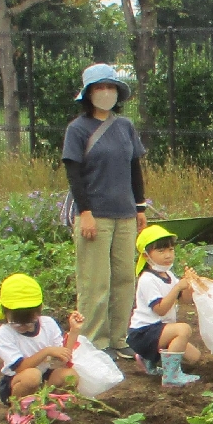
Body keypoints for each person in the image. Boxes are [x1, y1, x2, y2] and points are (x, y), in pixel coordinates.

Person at [63, 64, 148, 361]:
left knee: (125, 278)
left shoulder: (124, 126)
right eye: (99, 88)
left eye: (110, 87)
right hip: (95, 214)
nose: (105, 93)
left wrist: (139, 207)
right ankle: (94, 343)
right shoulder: (77, 129)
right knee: (95, 282)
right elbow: (74, 175)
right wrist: (84, 212)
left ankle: (118, 338)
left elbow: (134, 168)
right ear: (88, 94)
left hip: (124, 213)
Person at [130, 223, 201, 387]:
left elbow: (185, 300)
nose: (168, 255)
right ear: (147, 255)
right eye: (161, 251)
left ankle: (148, 357)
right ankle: (170, 376)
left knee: (195, 357)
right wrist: (177, 287)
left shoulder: (168, 274)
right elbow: (160, 309)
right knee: (184, 329)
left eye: (170, 250)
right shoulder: (147, 279)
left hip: (159, 329)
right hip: (144, 332)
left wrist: (189, 284)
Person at [0, 274, 82, 402]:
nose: (23, 327)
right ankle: (19, 410)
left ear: (38, 312)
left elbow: (64, 356)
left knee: (70, 376)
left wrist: (74, 331)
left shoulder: (48, 324)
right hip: (17, 381)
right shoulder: (4, 334)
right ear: (5, 313)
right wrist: (47, 351)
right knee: (32, 376)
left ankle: (47, 405)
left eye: (29, 322)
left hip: (43, 377)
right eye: (16, 323)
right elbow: (21, 368)